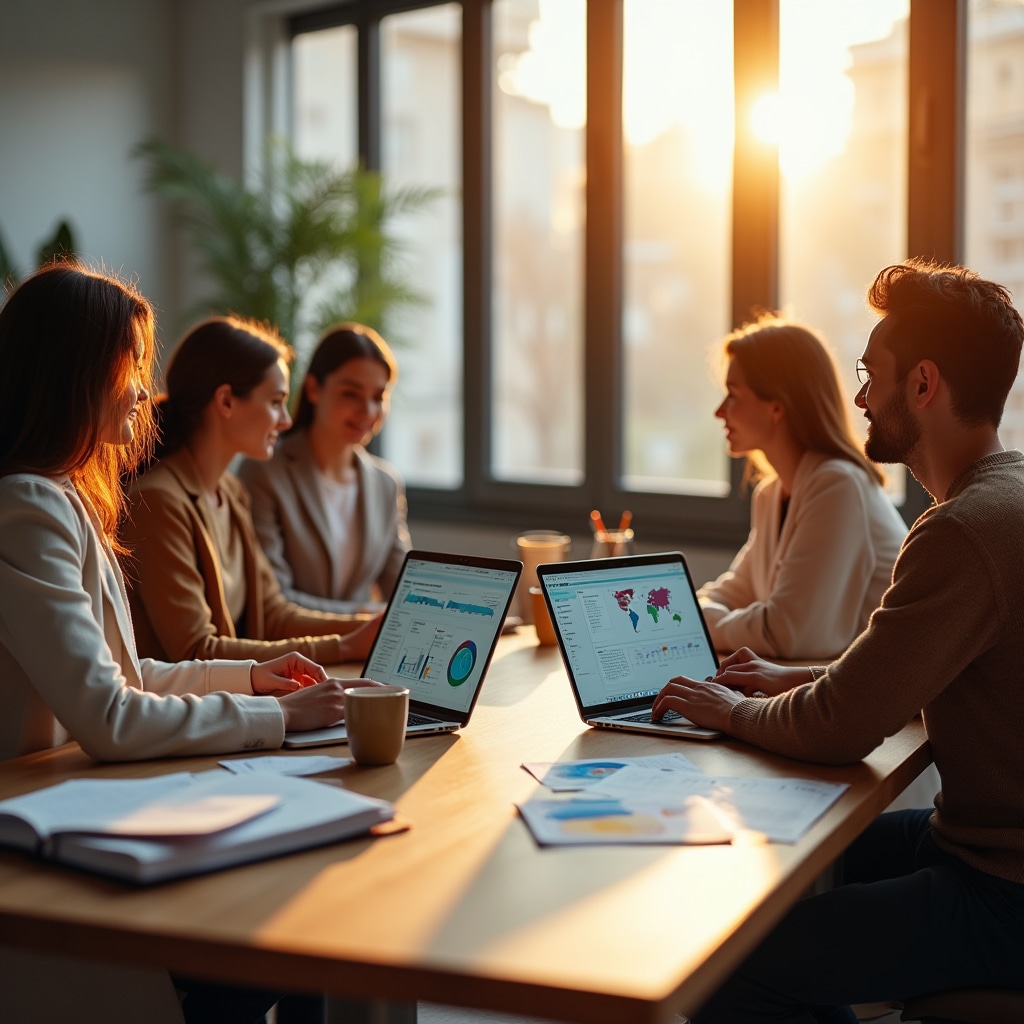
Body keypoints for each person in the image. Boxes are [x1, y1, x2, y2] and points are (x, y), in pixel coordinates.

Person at [653, 260, 1024, 1023]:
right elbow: (897, 674)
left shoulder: (963, 529)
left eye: (871, 374)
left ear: (923, 385)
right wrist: (788, 679)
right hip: (976, 840)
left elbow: (842, 727)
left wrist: (727, 708)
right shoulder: (1001, 498)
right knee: (789, 864)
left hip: (1004, 887)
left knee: (732, 957)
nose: (858, 396)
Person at [0, 263, 372, 1023]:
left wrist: (254, 684)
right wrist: (278, 720)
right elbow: (110, 718)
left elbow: (131, 675)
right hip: (35, 827)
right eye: (129, 367)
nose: (144, 390)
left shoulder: (64, 493)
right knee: (276, 932)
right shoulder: (27, 505)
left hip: (66, 800)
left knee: (292, 920)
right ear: (75, 375)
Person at [122, 316, 382, 666]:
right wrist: (346, 647)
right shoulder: (158, 501)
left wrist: (369, 628)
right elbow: (198, 651)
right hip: (183, 713)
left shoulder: (230, 492)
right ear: (226, 401)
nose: (286, 421)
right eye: (276, 402)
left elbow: (272, 614)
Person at [697, 316, 907, 660]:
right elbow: (735, 592)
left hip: (875, 704)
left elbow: (789, 634)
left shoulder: (838, 486)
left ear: (777, 406)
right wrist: (701, 615)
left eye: (733, 394)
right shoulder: (771, 494)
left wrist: (699, 621)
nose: (720, 411)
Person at [237, 322, 411, 615]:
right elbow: (274, 600)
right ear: (314, 389)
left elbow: (404, 592)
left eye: (378, 396)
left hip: (361, 653)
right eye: (351, 394)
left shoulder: (386, 483)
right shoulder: (264, 471)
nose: (368, 411)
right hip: (291, 654)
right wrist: (365, 617)